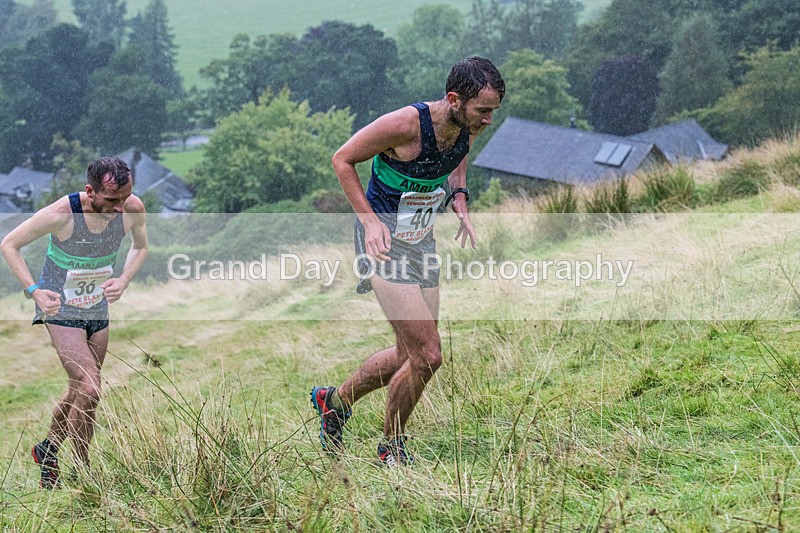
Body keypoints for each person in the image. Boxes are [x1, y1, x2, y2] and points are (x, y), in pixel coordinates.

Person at [311, 57, 504, 466]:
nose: (487, 121)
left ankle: (335, 401)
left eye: (492, 112)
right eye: (482, 111)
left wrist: (460, 200)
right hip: (383, 242)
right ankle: (391, 449)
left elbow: (457, 158)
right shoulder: (405, 125)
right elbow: (342, 160)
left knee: (407, 355)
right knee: (429, 355)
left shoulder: (466, 126)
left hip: (419, 240)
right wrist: (369, 223)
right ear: (454, 99)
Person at [1, 156, 148, 488]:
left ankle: (48, 449)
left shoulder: (132, 207)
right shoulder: (62, 213)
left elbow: (141, 247)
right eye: (111, 200)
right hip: (59, 306)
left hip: (96, 307)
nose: (119, 208)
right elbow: (9, 245)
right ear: (90, 191)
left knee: (82, 389)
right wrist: (35, 291)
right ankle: (85, 473)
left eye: (124, 198)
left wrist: (123, 280)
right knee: (91, 386)